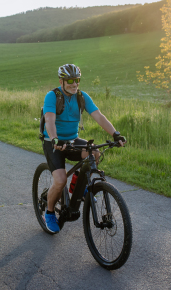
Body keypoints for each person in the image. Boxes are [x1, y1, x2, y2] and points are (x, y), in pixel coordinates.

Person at [42, 63, 126, 234]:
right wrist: (54, 139)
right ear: (61, 81)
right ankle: (49, 213)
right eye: (70, 80)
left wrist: (115, 134)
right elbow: (49, 120)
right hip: (54, 142)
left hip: (72, 140)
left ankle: (76, 188)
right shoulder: (52, 96)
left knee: (94, 152)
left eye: (77, 80)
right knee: (59, 181)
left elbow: (99, 116)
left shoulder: (82, 97)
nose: (74, 84)